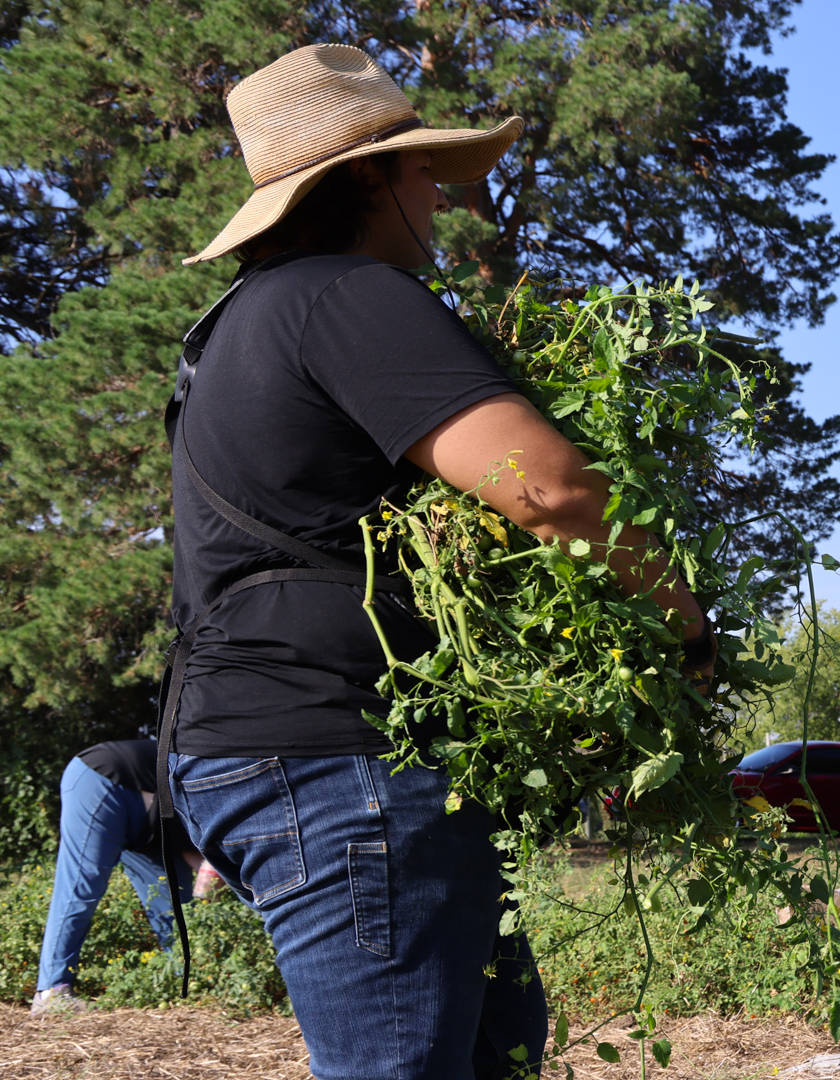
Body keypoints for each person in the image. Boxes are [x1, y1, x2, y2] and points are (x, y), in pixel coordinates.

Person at [166, 45, 714, 1077]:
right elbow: (548, 487)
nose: (444, 200)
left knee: (493, 1051)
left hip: (283, 749)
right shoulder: (345, 296)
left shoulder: (235, 327)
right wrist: (681, 625)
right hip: (340, 764)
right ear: (368, 179)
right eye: (424, 173)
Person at [33, 740, 221, 1016]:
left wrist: (210, 887)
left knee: (177, 905)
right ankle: (51, 992)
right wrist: (214, 884)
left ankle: (192, 982)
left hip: (152, 827)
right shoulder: (229, 785)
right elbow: (212, 868)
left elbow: (200, 860)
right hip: (106, 780)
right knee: (82, 887)